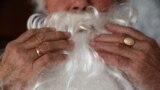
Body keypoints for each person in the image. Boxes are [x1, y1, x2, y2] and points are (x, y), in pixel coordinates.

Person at [0, 0, 160, 90]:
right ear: (45, 4)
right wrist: (4, 84)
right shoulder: (9, 70)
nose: (81, 3)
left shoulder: (153, 65)